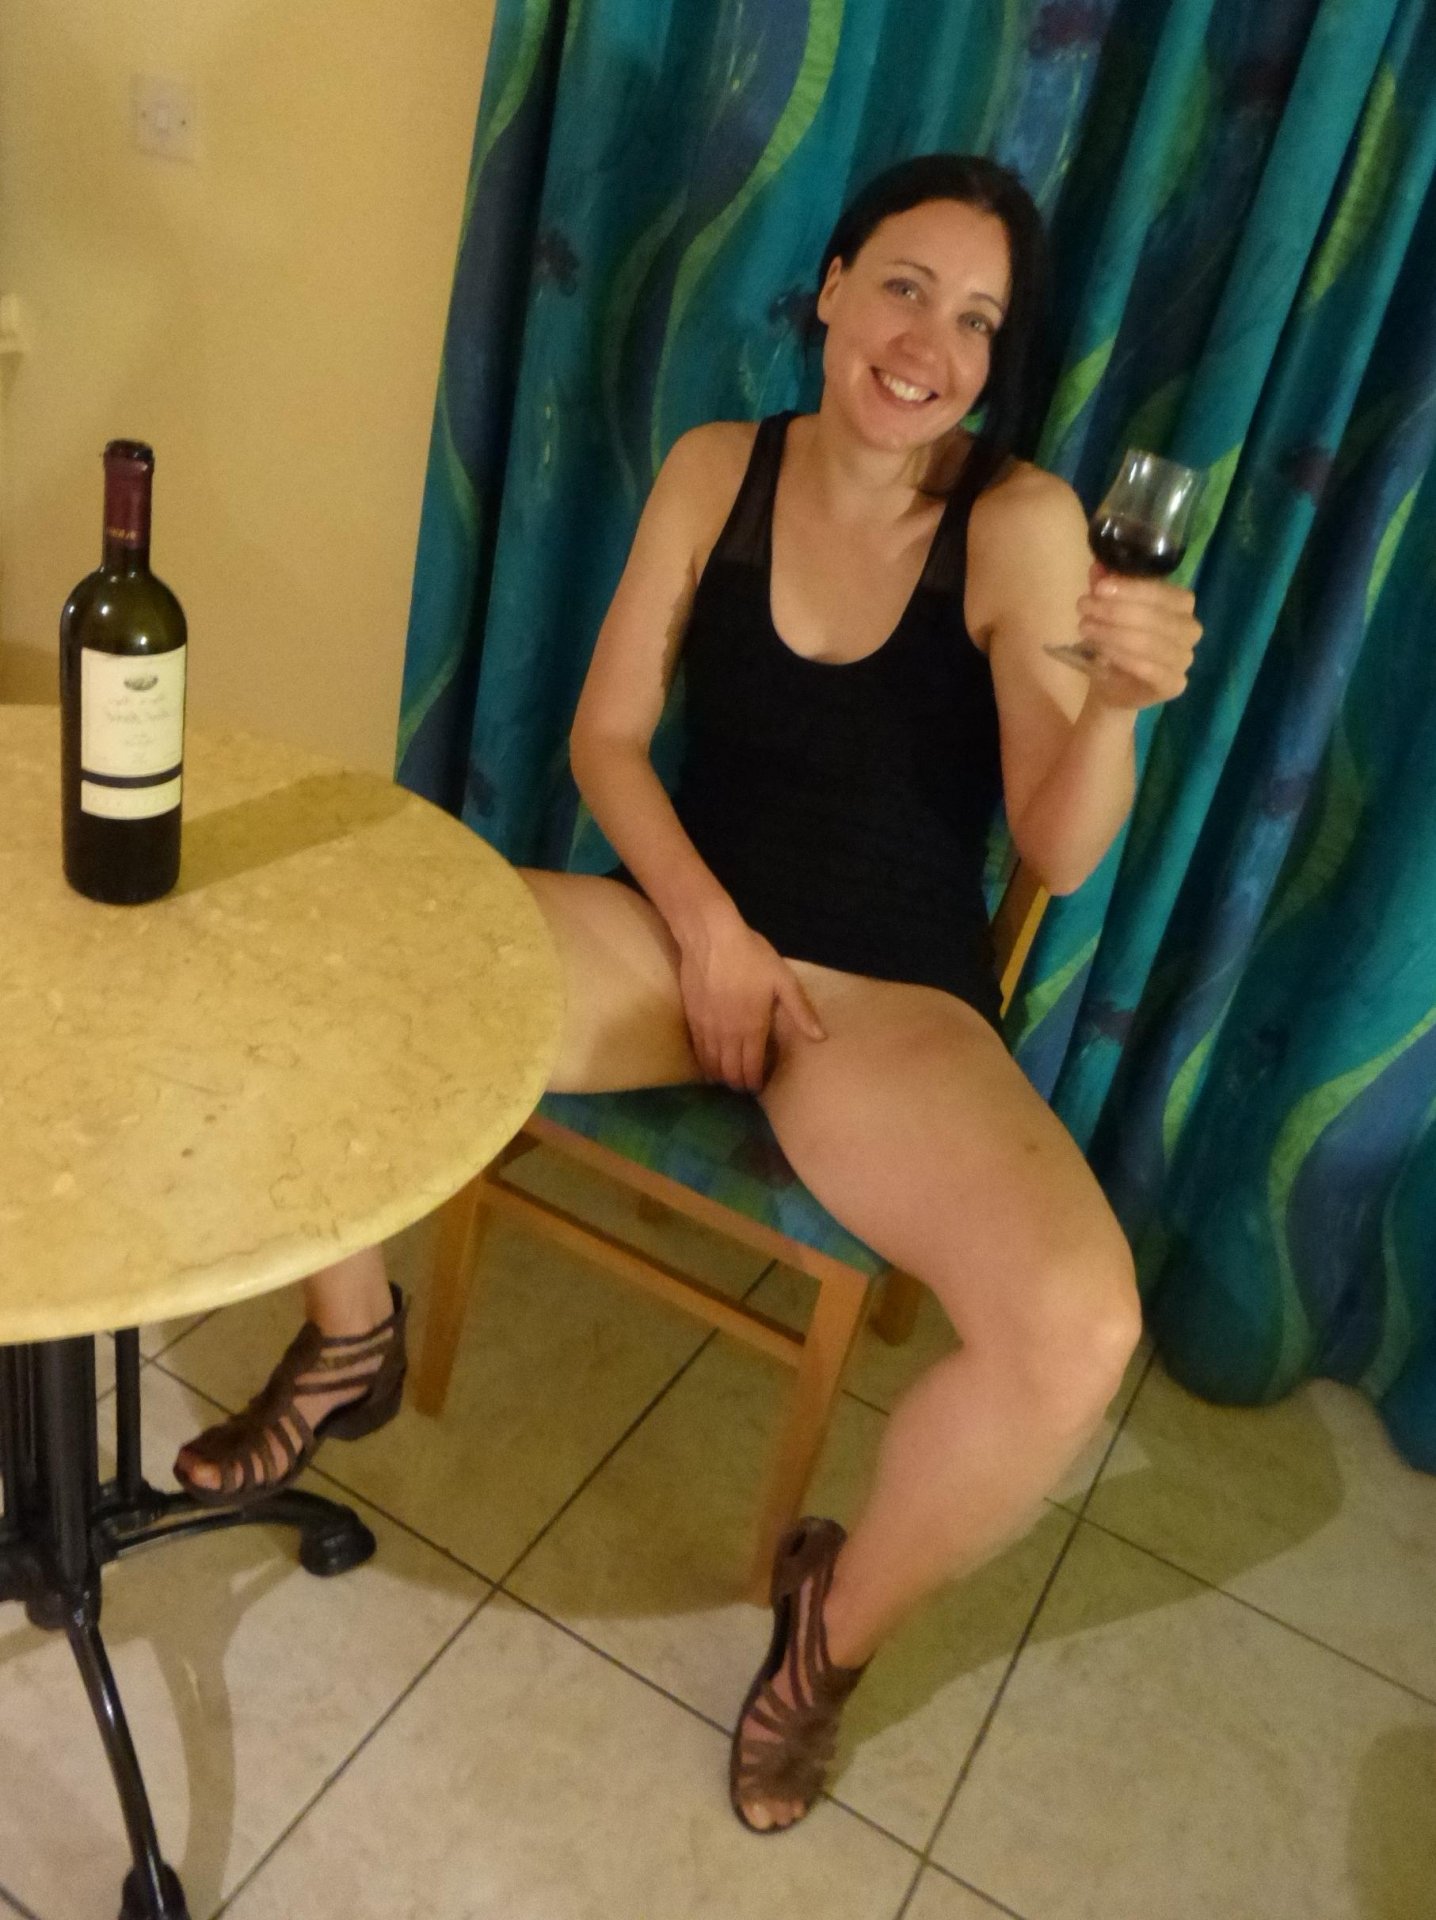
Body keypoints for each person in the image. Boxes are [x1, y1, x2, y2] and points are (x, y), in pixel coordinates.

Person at [175, 153, 1202, 1833]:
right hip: (680, 935)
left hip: (882, 1006)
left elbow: (1060, 851)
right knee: (336, 949)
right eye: (903, 287)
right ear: (831, 286)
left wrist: (1119, 713)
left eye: (975, 321)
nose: (928, 343)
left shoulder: (1018, 525)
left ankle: (828, 1634)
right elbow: (606, 739)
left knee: (1080, 1329)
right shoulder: (720, 465)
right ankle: (351, 1339)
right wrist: (710, 929)